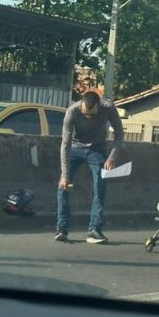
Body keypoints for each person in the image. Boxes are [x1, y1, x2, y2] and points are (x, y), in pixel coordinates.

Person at [56, 91, 125, 244]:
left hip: (97, 149)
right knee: (63, 186)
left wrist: (112, 157)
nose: (88, 117)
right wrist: (65, 175)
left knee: (100, 187)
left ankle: (94, 230)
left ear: (98, 106)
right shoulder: (72, 111)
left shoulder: (108, 107)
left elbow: (119, 134)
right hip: (75, 147)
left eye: (91, 115)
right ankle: (62, 228)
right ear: (81, 104)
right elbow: (65, 144)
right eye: (85, 114)